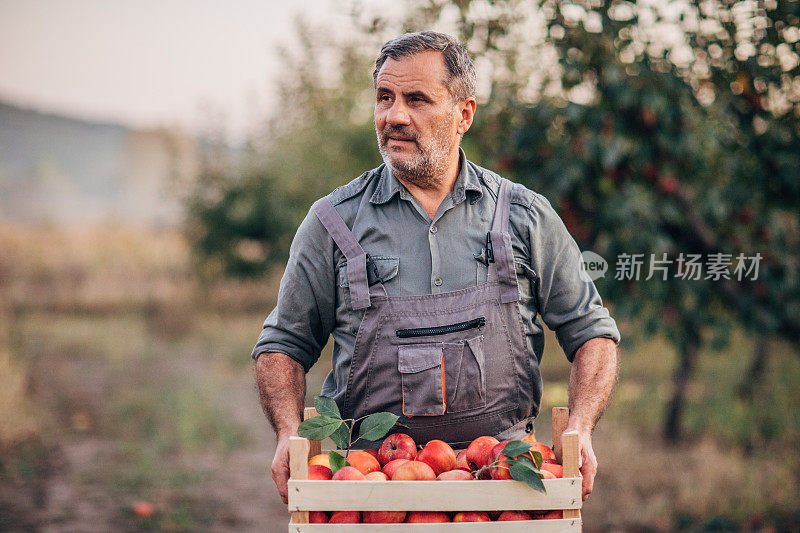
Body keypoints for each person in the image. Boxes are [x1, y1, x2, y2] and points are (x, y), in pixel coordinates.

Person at [252, 31, 620, 504]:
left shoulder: (524, 217)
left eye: (416, 99)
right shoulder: (332, 223)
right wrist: (287, 430)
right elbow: (283, 344)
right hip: (368, 489)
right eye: (385, 98)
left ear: (463, 114)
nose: (394, 116)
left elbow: (592, 332)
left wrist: (582, 428)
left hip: (504, 483)